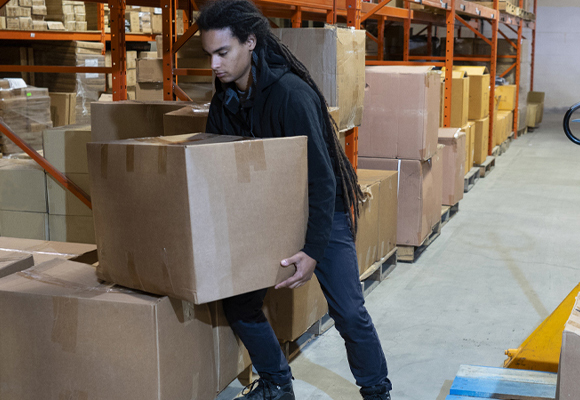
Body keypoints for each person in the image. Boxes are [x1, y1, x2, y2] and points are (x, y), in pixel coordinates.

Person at [197, 1, 392, 399]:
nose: (215, 64)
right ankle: (276, 383)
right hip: (266, 215)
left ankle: (376, 391)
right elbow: (220, 173)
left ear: (250, 42)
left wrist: (312, 250)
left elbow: (322, 180)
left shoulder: (291, 95)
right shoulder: (224, 105)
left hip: (320, 210)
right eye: (210, 55)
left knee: (349, 312)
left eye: (223, 53)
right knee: (239, 302)